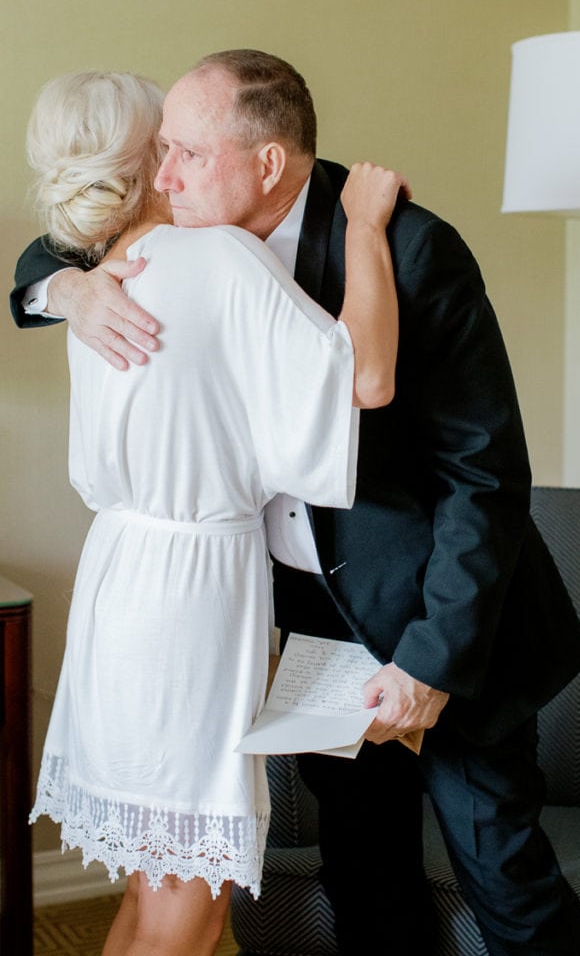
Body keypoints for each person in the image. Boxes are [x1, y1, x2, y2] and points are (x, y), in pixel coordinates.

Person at [12, 51, 580, 956]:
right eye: (160, 151)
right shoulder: (179, 223)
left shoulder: (406, 247)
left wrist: (429, 664)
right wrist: (68, 289)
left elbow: (484, 477)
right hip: (309, 628)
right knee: (363, 876)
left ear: (267, 164)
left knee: (501, 874)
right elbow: (56, 237)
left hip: (440, 628)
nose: (163, 177)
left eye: (187, 154)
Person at [20, 69, 405, 956]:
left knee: (153, 889)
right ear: (154, 158)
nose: (186, 162)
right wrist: (367, 227)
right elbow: (367, 377)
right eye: (180, 143)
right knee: (189, 907)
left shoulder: (97, 283)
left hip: (118, 578)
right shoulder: (221, 259)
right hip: (192, 602)